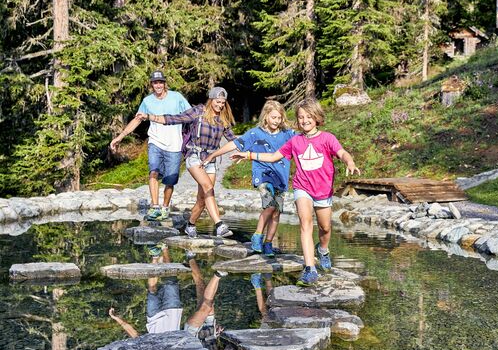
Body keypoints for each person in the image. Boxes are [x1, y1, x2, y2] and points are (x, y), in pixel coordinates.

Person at [232, 101, 360, 287]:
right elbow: (274, 156)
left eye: (309, 116)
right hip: (302, 187)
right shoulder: (295, 141)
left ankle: (323, 249)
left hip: (323, 191)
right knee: (305, 224)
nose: (305, 120)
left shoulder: (327, 138)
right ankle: (310, 269)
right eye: (301, 117)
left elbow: (342, 153)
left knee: (325, 228)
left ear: (317, 118)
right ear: (297, 121)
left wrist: (350, 162)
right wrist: (249, 155)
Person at [137, 87, 236, 238]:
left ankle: (190, 224)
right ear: (211, 100)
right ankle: (219, 225)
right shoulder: (198, 112)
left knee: (202, 199)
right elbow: (173, 119)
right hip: (194, 156)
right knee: (209, 187)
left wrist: (251, 152)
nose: (220, 105)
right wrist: (149, 116)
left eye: (223, 103)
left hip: (211, 160)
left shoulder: (223, 120)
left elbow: (234, 140)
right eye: (218, 102)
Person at [205, 100, 296, 254]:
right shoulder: (255, 133)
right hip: (263, 175)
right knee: (270, 205)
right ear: (266, 116)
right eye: (274, 117)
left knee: (276, 212)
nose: (277, 121)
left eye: (279, 118)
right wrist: (213, 154)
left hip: (280, 177)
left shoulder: (287, 134)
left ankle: (268, 243)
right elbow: (235, 144)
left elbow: (305, 139)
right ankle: (257, 235)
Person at [110, 70, 191, 221]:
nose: (158, 85)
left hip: (174, 144)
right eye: (155, 82)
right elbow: (137, 120)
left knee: (169, 180)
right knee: (153, 172)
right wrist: (120, 137)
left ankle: (165, 207)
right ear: (151, 85)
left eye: (160, 82)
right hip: (155, 141)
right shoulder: (147, 101)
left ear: (164, 83)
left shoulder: (177, 97)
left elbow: (190, 115)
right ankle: (155, 207)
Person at [109, 245, 225, 340]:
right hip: (172, 311)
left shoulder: (147, 347)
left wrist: (117, 318)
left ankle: (155, 256)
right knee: (170, 282)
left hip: (153, 317)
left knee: (152, 289)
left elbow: (133, 333)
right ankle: (165, 249)